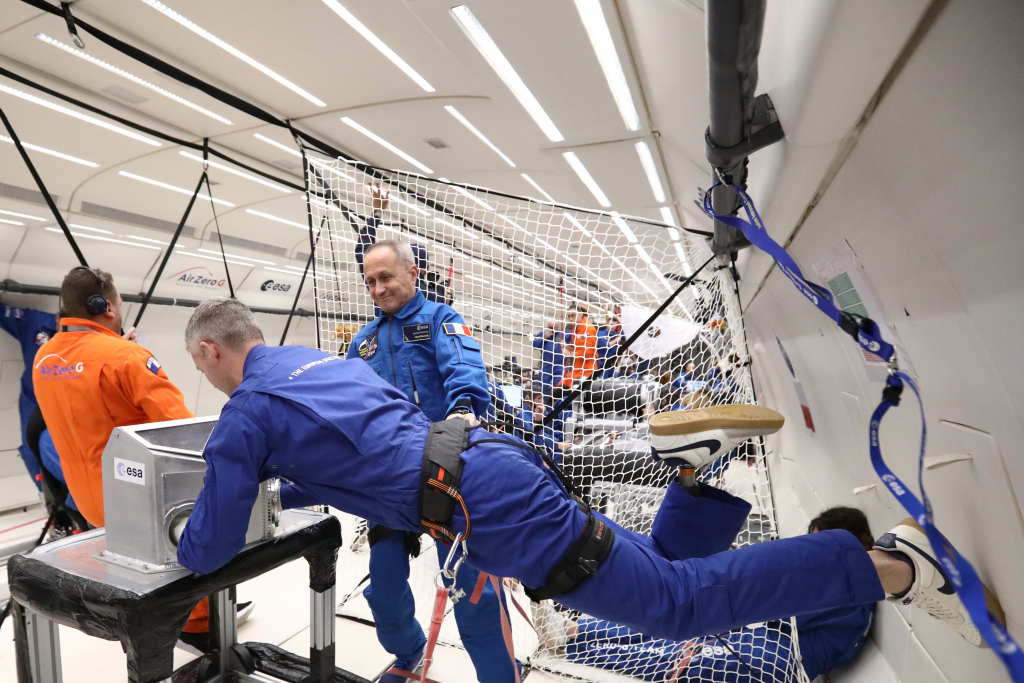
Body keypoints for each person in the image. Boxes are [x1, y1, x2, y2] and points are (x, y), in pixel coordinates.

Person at [177, 298, 994, 660]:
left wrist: (175, 537)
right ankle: (695, 472)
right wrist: (282, 488)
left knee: (678, 607)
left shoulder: (248, 412)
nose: (208, 380)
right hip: (485, 462)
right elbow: (357, 452)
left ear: (213, 351)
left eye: (200, 367)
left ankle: (896, 567)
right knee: (662, 572)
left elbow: (208, 543)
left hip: (482, 501)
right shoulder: (325, 362)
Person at [31, 267, 250, 654]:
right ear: (108, 308)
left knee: (128, 566)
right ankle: (198, 629)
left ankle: (139, 623)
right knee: (185, 559)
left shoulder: (44, 359)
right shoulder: (125, 356)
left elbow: (89, 397)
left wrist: (118, 350)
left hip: (88, 497)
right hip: (136, 496)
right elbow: (181, 431)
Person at [345, 242, 516, 683]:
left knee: (474, 596)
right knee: (382, 587)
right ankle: (409, 652)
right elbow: (347, 401)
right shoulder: (362, 343)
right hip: (390, 482)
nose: (378, 289)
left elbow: (463, 367)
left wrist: (461, 411)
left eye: (386, 278)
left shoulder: (441, 320)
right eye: (370, 282)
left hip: (448, 475)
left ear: (412, 272)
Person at [532, 506, 879, 681]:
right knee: (673, 627)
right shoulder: (857, 588)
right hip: (778, 651)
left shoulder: (845, 586)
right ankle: (573, 634)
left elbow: (774, 607)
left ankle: (574, 649)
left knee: (675, 645)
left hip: (776, 659)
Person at [0, 300, 57, 488]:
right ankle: (47, 496)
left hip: (65, 401)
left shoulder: (88, 338)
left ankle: (70, 499)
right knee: (30, 451)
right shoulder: (35, 322)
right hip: (33, 400)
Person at [559, 303, 598, 390]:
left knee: (572, 391)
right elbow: (576, 347)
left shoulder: (589, 328)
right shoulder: (575, 328)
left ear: (580, 314)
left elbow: (589, 352)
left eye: (573, 316)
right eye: (568, 316)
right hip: (577, 368)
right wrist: (566, 346)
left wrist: (570, 353)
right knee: (559, 388)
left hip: (587, 370)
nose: (570, 319)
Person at [533, 320, 564, 399]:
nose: (553, 329)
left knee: (558, 386)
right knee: (543, 387)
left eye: (554, 327)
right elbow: (535, 345)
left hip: (559, 365)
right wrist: (545, 337)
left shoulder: (563, 334)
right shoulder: (542, 334)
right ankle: (544, 404)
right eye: (550, 327)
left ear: (557, 327)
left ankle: (557, 404)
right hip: (546, 365)